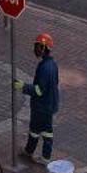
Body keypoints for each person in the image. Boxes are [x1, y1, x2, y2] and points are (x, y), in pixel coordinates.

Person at [15, 31, 60, 163]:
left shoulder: (45, 68)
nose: (35, 49)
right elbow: (55, 83)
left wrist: (22, 87)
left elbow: (39, 90)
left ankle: (45, 157)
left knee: (45, 131)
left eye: (38, 46)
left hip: (43, 106)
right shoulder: (52, 64)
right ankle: (29, 151)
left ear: (45, 48)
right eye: (36, 46)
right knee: (35, 129)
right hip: (47, 105)